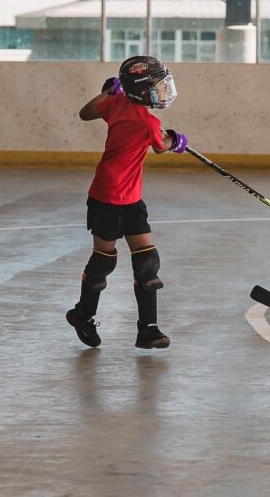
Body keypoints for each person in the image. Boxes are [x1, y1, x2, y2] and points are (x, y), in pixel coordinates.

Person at [66, 56, 188, 349]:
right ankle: (82, 314)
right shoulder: (148, 121)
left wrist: (109, 92)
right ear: (142, 90)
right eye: (156, 87)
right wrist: (176, 140)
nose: (161, 92)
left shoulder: (116, 105)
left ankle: (148, 329)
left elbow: (86, 113)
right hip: (108, 197)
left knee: (147, 260)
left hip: (129, 197)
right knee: (104, 261)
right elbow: (161, 146)